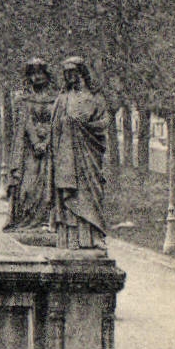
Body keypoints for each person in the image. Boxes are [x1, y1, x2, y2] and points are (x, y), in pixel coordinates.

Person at [49, 57, 109, 251]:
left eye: (73, 72)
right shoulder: (62, 99)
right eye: (66, 74)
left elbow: (103, 123)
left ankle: (94, 235)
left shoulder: (96, 98)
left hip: (89, 154)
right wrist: (67, 125)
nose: (70, 77)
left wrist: (84, 126)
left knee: (91, 193)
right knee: (70, 195)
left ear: (82, 73)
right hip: (67, 156)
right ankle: (71, 238)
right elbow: (54, 128)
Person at [4, 58, 54, 233]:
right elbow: (25, 123)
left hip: (49, 150)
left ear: (47, 76)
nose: (37, 77)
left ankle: (44, 222)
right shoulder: (23, 99)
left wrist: (46, 142)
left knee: (46, 187)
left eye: (41, 73)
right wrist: (36, 143)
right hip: (29, 152)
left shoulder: (55, 100)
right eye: (33, 73)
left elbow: (57, 123)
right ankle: (25, 221)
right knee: (28, 186)